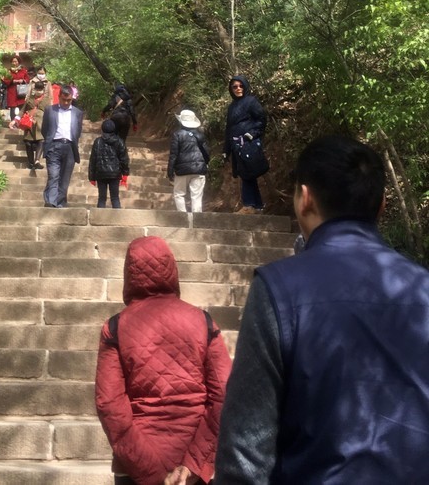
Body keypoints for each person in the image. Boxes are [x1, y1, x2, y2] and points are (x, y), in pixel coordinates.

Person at [214, 135, 429, 485]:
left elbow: (245, 454)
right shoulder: (422, 287)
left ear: (305, 199)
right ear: (382, 206)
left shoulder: (279, 289)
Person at [95, 236, 232, 485]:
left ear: (129, 274)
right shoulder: (203, 321)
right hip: (194, 466)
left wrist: (151, 474)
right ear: (171, 269)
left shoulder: (115, 327)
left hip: (136, 468)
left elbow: (109, 404)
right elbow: (225, 394)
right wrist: (192, 464)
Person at [223, 74, 266, 213]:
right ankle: (257, 206)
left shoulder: (251, 102)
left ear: (245, 86)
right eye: (234, 86)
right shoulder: (231, 107)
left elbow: (261, 119)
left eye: (241, 85)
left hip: (249, 143)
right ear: (231, 89)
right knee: (246, 173)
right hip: (236, 145)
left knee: (247, 173)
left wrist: (252, 134)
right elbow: (229, 129)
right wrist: (226, 150)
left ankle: (249, 204)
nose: (238, 88)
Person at [40, 83, 83, 208]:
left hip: (70, 147)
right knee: (53, 175)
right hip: (54, 145)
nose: (66, 102)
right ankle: (51, 201)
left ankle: (60, 201)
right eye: (64, 100)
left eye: (69, 100)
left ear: (72, 99)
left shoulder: (77, 113)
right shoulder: (50, 110)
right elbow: (45, 129)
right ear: (59, 97)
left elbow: (78, 131)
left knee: (65, 177)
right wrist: (50, 141)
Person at [167, 109, 210, 214]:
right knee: (196, 196)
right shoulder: (200, 135)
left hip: (182, 170)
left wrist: (170, 170)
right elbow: (207, 153)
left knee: (179, 194)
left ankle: (182, 217)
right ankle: (196, 220)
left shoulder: (177, 134)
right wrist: (205, 164)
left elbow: (174, 154)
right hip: (199, 169)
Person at [88, 119, 130, 209]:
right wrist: (125, 174)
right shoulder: (119, 141)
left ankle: (99, 218)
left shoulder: (98, 141)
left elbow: (93, 160)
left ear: (102, 129)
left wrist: (92, 177)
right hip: (115, 173)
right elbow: (124, 159)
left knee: (102, 198)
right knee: (115, 197)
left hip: (101, 173)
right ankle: (117, 218)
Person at [20, 79, 51, 170]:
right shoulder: (29, 99)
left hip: (41, 123)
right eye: (37, 89)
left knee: (41, 140)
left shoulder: (46, 100)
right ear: (34, 89)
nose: (39, 91)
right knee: (28, 143)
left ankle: (37, 160)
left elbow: (50, 112)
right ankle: (31, 162)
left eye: (40, 89)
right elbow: (22, 110)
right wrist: (15, 120)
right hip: (29, 122)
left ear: (43, 90)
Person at [1, 55, 29, 121]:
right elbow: (5, 80)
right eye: (13, 62)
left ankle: (21, 122)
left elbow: (27, 79)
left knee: (21, 107)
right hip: (12, 91)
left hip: (21, 91)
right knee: (13, 108)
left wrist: (22, 80)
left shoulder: (23, 71)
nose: (14, 63)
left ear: (18, 62)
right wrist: (12, 81)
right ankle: (13, 123)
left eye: (16, 61)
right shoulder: (9, 71)